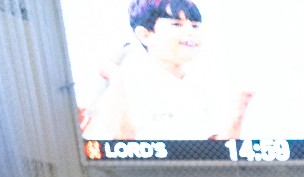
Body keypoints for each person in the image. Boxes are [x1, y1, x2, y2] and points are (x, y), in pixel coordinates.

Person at [80, 0, 252, 142]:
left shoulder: (203, 87)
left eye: (195, 26)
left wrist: (240, 110)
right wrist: (116, 79)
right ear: (145, 35)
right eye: (177, 25)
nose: (190, 33)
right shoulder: (127, 83)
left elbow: (218, 151)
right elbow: (122, 145)